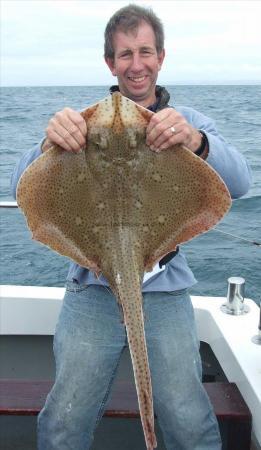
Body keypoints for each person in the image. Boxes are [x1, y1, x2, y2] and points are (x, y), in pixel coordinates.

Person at [11, 4, 252, 450]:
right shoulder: (81, 126)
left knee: (185, 415)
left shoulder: (189, 121)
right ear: (110, 62)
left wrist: (196, 142)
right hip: (91, 286)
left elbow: (239, 181)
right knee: (65, 416)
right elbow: (20, 184)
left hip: (165, 287)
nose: (136, 65)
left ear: (160, 57)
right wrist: (49, 142)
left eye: (145, 52)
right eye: (125, 54)